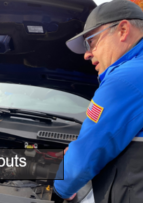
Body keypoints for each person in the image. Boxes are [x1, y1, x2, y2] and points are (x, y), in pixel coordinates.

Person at [53, 1, 143, 202]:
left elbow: (84, 158)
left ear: (122, 30)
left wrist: (58, 190)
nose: (86, 54)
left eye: (90, 42)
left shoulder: (126, 79)